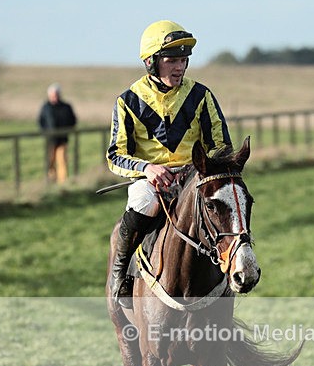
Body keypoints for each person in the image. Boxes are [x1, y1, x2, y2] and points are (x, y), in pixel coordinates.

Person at [106, 20, 233, 305]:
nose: (180, 67)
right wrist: (147, 169)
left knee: (229, 207)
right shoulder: (128, 101)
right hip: (151, 182)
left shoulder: (201, 96)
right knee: (141, 203)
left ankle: (231, 273)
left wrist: (198, 169)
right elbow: (115, 155)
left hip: (195, 177)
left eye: (184, 60)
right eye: (172, 60)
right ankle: (121, 277)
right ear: (151, 62)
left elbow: (222, 145)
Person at [38, 84, 77, 183]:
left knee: (62, 161)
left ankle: (62, 182)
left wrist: (67, 130)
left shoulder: (66, 107)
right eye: (52, 95)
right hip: (50, 140)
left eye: (56, 94)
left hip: (62, 139)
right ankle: (51, 181)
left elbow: (73, 120)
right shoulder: (46, 107)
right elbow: (41, 121)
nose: (54, 96)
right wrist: (45, 132)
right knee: (50, 161)